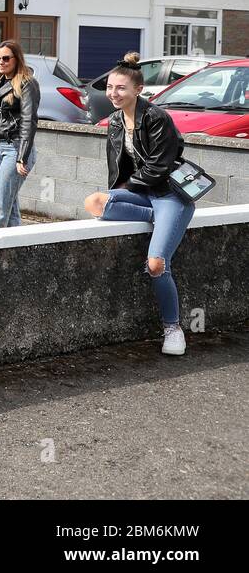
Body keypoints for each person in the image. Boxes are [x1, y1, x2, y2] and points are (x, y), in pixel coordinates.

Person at [83, 52, 193, 357]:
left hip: (170, 195)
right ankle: (158, 219)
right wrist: (116, 193)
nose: (113, 94)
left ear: (138, 90)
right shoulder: (115, 121)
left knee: (156, 265)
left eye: (121, 88)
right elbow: (116, 165)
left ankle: (173, 328)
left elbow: (159, 166)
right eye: (109, 87)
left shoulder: (156, 117)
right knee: (94, 202)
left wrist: (127, 189)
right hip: (145, 197)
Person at [0, 39, 40, 228]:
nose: (1, 62)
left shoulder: (27, 83)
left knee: (0, 204)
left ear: (16, 59)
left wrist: (22, 156)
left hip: (15, 149)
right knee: (9, 203)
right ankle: (16, 246)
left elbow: (29, 121)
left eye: (6, 58)